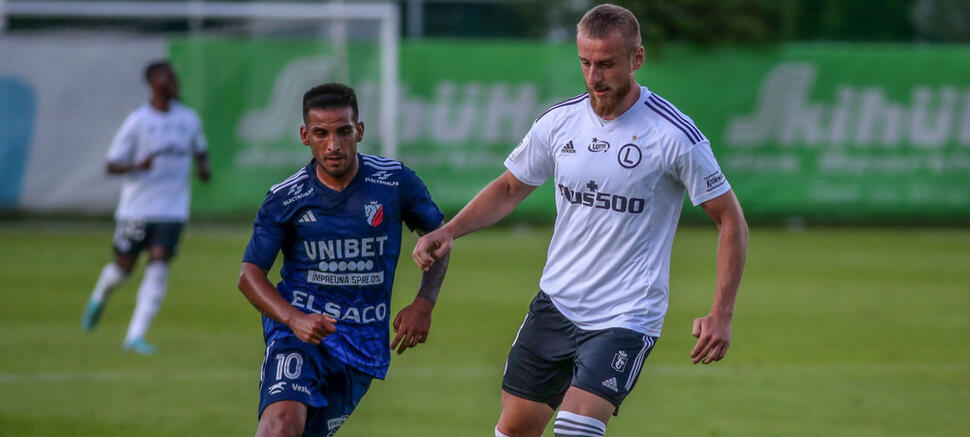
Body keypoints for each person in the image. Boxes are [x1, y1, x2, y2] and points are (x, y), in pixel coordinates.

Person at [412, 4, 749, 437]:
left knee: (575, 428)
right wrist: (449, 229)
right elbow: (511, 187)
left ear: (637, 59)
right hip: (556, 304)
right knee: (514, 429)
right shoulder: (560, 122)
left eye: (607, 64)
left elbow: (731, 219)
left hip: (625, 315)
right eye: (586, 63)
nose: (594, 76)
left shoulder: (672, 135)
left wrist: (722, 312)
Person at [237, 83, 449, 437]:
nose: (333, 145)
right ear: (305, 136)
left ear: (359, 131)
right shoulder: (286, 198)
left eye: (343, 132)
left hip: (361, 343)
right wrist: (295, 319)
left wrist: (423, 304)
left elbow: (440, 238)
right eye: (321, 133)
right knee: (279, 426)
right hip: (299, 335)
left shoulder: (394, 181)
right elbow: (249, 275)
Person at [81, 59, 211, 355]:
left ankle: (135, 336)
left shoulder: (189, 119)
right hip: (137, 209)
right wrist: (137, 165)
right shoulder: (138, 121)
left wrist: (203, 168)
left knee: (159, 265)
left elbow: (201, 151)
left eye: (174, 77)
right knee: (123, 269)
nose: (174, 81)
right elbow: (111, 164)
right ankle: (100, 295)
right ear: (153, 82)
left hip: (172, 210)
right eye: (168, 77)